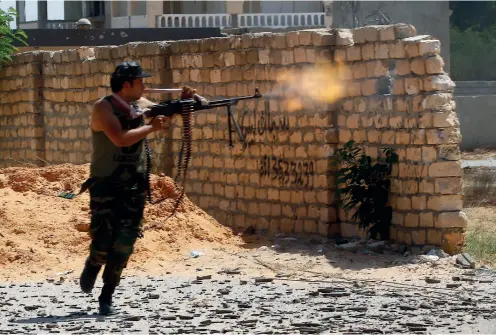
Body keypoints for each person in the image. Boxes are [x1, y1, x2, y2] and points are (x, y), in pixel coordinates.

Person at [78, 61, 175, 316]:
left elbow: (165, 111)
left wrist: (189, 101)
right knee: (104, 238)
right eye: (141, 81)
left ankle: (107, 295)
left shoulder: (140, 106)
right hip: (106, 183)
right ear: (127, 84)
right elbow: (120, 139)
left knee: (125, 241)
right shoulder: (104, 108)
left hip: (134, 183)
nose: (145, 86)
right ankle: (94, 262)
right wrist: (152, 128)